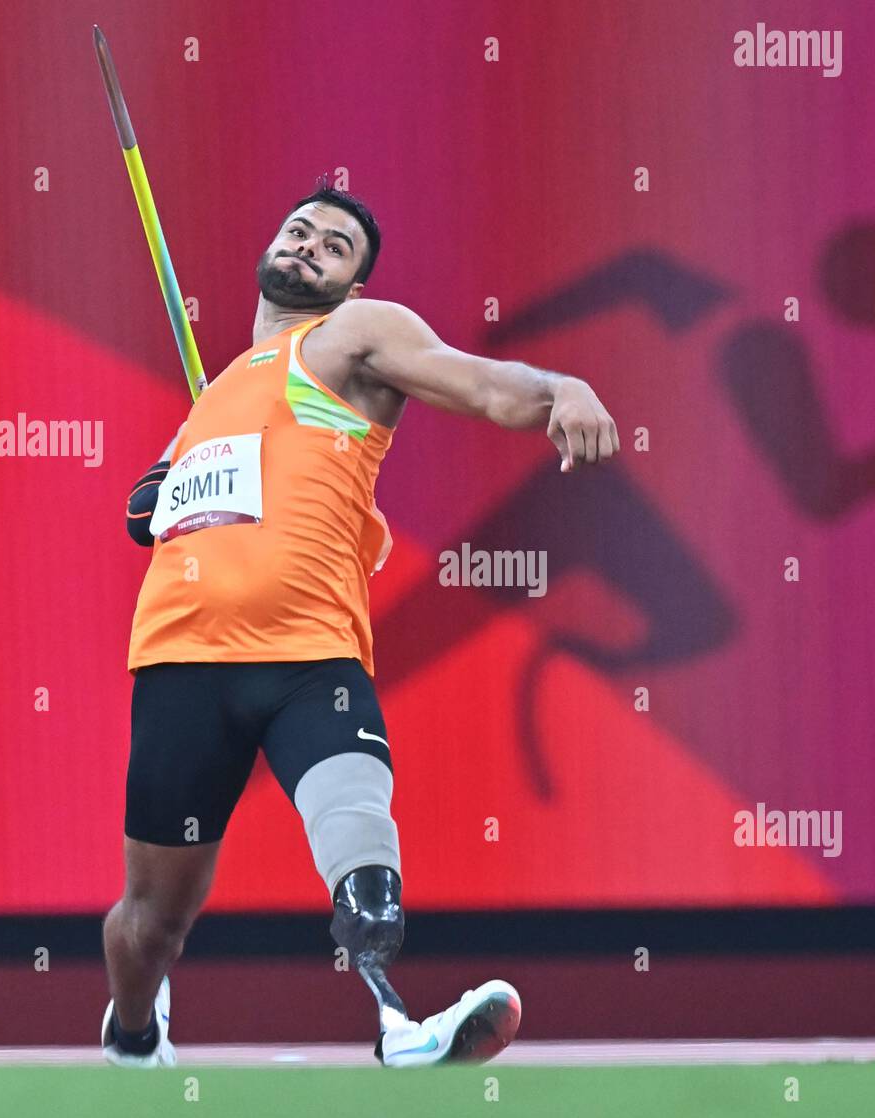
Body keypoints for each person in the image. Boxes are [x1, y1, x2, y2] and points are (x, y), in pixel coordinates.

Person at [102, 182, 619, 1068]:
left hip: (311, 656)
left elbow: (488, 388)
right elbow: (157, 517)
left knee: (368, 879)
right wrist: (155, 491)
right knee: (152, 922)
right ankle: (134, 1030)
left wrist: (561, 388)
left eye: (334, 246)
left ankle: (399, 1026)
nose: (309, 244)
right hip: (183, 662)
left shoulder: (354, 336)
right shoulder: (215, 395)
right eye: (298, 229)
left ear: (351, 287)